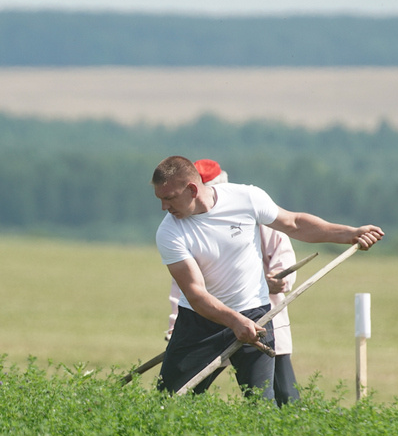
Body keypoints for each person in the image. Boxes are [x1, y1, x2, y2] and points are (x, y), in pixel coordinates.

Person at [152, 155, 383, 402]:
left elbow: (294, 223)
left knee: (262, 405)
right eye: (160, 199)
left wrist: (350, 234)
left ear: (192, 189)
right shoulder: (169, 232)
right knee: (168, 403)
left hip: (255, 315)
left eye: (169, 198)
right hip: (200, 323)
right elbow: (196, 294)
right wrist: (234, 321)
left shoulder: (246, 198)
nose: (164, 208)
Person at [165, 159, 302, 404]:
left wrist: (275, 281)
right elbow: (187, 289)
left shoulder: (254, 213)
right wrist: (175, 325)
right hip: (209, 322)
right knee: (182, 394)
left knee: (278, 396)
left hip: (260, 318)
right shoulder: (180, 229)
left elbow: (284, 259)